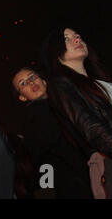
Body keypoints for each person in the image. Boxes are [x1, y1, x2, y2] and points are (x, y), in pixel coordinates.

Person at [40, 26, 112, 198]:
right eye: (66, 38)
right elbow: (91, 128)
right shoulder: (60, 86)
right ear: (55, 52)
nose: (77, 39)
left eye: (77, 36)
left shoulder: (102, 84)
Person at [11, 67, 92, 198]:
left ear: (44, 81)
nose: (31, 83)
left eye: (32, 77)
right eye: (23, 83)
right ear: (22, 97)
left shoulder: (63, 103)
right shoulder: (36, 119)